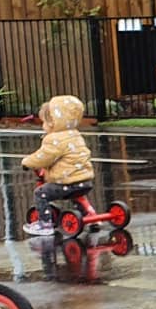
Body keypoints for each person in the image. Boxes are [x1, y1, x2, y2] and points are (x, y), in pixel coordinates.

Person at [21, 95, 95, 236]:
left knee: (41, 193)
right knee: (77, 195)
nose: (43, 126)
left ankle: (45, 224)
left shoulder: (54, 139)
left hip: (67, 183)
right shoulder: (75, 134)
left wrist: (26, 162)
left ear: (53, 122)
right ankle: (90, 216)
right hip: (85, 181)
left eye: (44, 122)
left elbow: (43, 157)